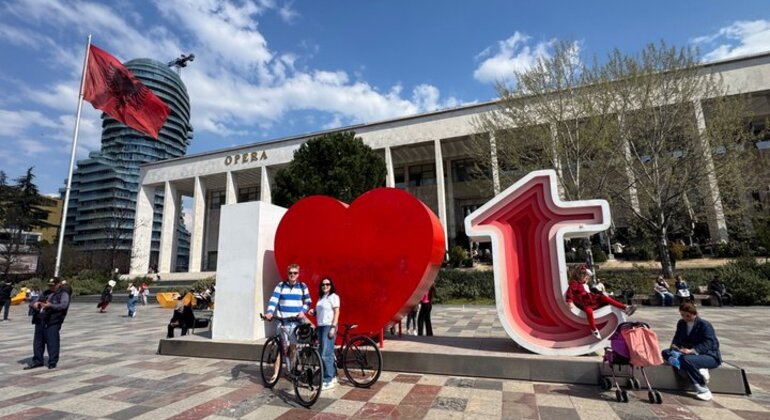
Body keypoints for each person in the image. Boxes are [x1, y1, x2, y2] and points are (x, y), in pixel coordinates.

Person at [661, 302, 721, 401]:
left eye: (688, 315)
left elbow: (709, 343)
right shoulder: (681, 323)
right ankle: (692, 368)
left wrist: (692, 351)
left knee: (687, 359)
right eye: (682, 315)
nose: (685, 318)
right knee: (666, 353)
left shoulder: (704, 325)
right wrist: (674, 346)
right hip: (686, 353)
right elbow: (677, 337)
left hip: (708, 355)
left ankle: (702, 389)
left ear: (695, 313)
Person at [566, 265, 637, 340]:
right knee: (589, 311)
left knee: (604, 298)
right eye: (585, 277)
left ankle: (625, 307)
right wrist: (569, 302)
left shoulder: (581, 284)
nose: (586, 279)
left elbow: (585, 287)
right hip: (584, 303)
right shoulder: (574, 283)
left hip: (589, 299)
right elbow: (570, 293)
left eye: (586, 277)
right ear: (579, 276)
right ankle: (594, 329)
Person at [264, 264, 312, 364]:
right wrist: (269, 312)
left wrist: (303, 311)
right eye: (290, 273)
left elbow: (308, 302)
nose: (292, 275)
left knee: (293, 347)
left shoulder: (303, 286)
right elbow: (274, 300)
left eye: (295, 273)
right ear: (287, 273)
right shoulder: (280, 286)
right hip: (282, 322)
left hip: (295, 322)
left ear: (298, 274)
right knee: (281, 348)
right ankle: (275, 374)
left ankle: (291, 370)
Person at [25, 278, 70, 370]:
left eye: (53, 285)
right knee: (38, 342)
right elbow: (33, 302)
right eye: (49, 285)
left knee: (52, 342)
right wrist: (35, 304)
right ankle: (37, 360)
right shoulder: (45, 293)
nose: (51, 287)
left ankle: (52, 361)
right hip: (40, 319)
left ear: (58, 285)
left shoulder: (63, 294)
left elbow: (63, 305)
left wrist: (50, 305)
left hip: (52, 321)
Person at [308, 276, 340, 390]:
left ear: (331, 286)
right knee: (324, 352)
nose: (325, 286)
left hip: (328, 326)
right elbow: (321, 311)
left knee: (326, 354)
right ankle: (332, 376)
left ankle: (328, 379)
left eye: (327, 284)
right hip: (320, 327)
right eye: (323, 284)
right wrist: (314, 311)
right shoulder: (321, 298)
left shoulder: (334, 297)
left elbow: (336, 312)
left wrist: (333, 327)